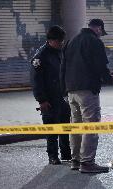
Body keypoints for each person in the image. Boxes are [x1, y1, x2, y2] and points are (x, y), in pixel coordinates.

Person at [61, 18, 113, 173]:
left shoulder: (71, 41)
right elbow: (100, 65)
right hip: (87, 90)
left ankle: (75, 160)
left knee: (76, 126)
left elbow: (62, 67)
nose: (100, 35)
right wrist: (109, 79)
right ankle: (87, 162)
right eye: (101, 32)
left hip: (71, 91)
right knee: (90, 125)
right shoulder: (94, 41)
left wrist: (64, 90)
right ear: (98, 29)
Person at [30, 25, 71, 165]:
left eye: (62, 41)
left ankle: (66, 153)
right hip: (49, 99)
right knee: (51, 128)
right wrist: (41, 100)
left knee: (65, 126)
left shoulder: (60, 52)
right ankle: (52, 155)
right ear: (51, 40)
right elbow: (36, 80)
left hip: (63, 97)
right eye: (60, 41)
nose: (62, 43)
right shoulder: (40, 56)